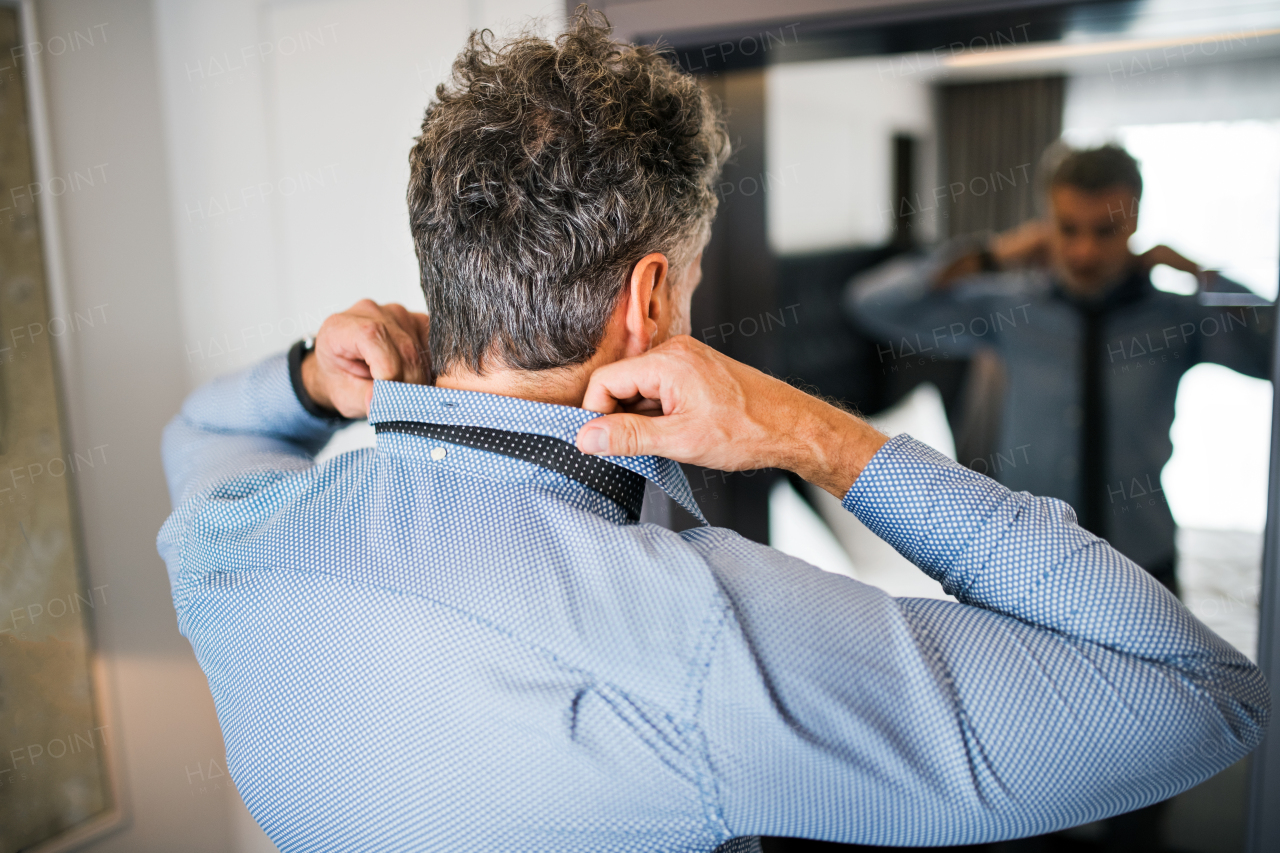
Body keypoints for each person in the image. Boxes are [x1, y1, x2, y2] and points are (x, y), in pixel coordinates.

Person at [157, 15, 1267, 853]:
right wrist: (807, 434)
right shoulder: (702, 639)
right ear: (647, 302)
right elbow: (1199, 695)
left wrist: (309, 377)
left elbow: (198, 433)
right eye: (684, 281)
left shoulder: (231, 545)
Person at [845, 144, 1273, 598]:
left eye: (1106, 231)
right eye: (1068, 229)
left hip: (1144, 566)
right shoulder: (1010, 308)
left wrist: (1203, 276)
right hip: (1029, 566)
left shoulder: (1179, 318)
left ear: (1135, 222)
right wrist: (990, 256)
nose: (1084, 252)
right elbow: (872, 304)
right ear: (1047, 222)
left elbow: (1270, 354)